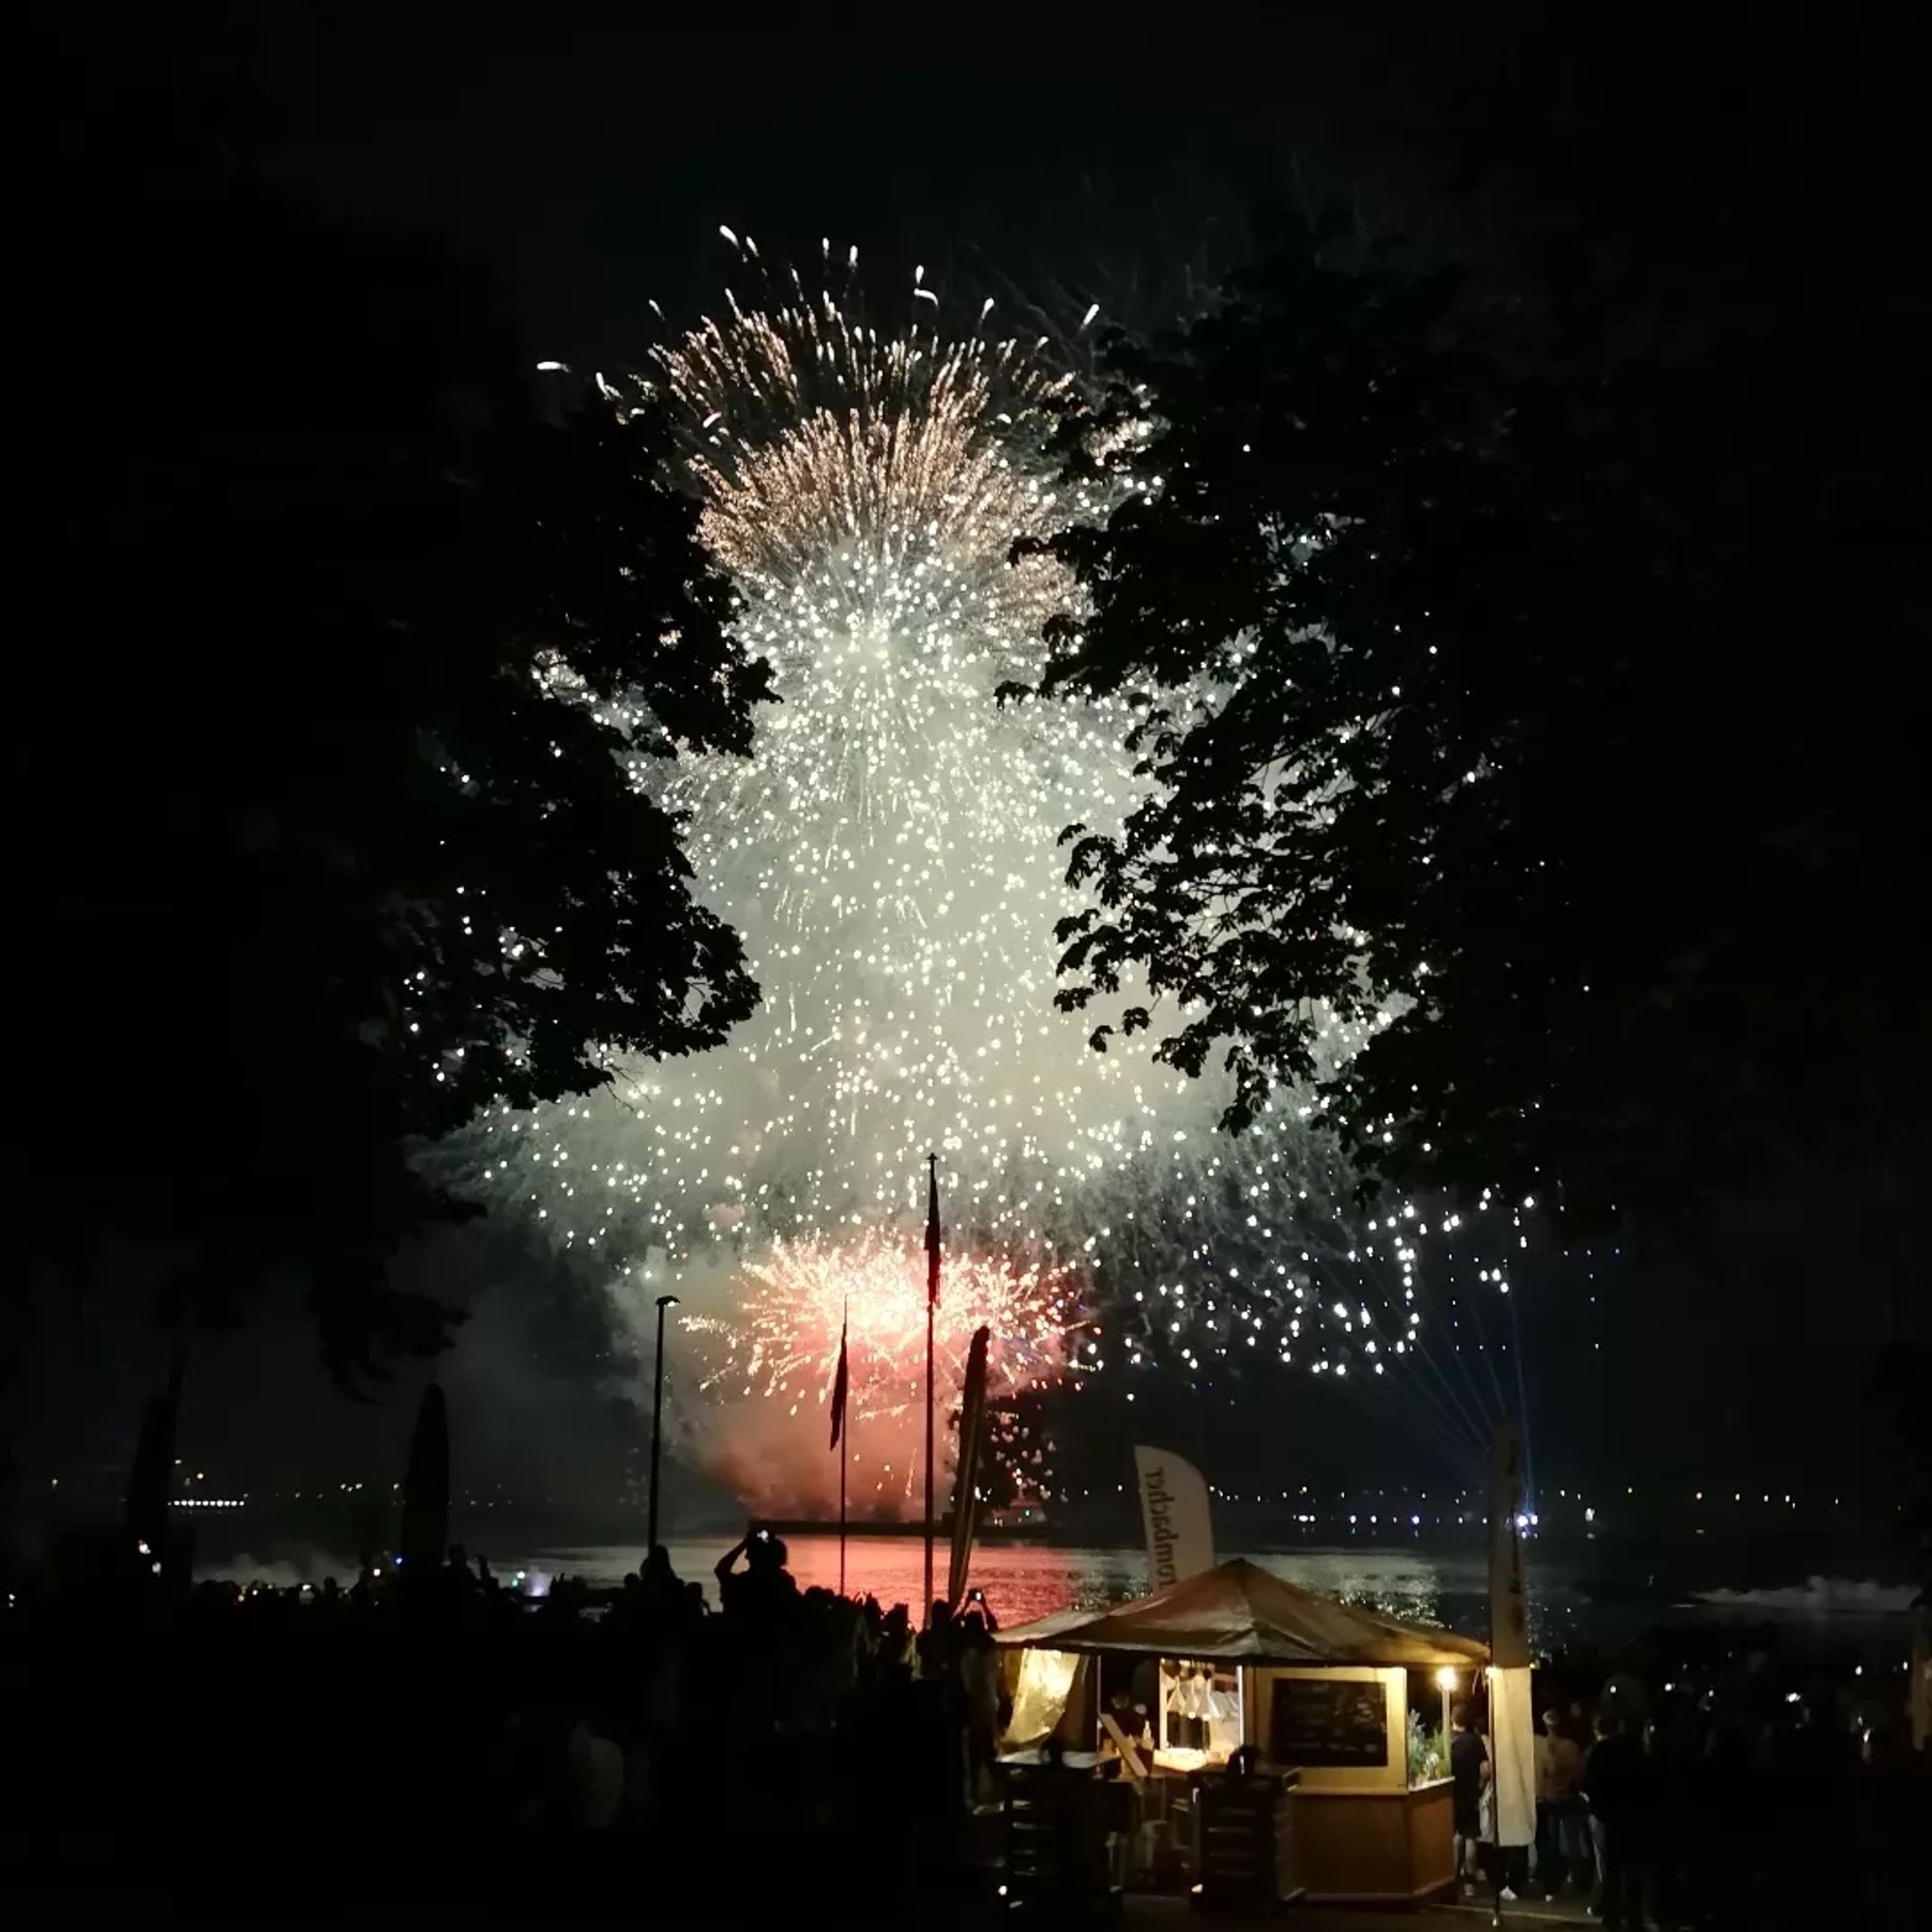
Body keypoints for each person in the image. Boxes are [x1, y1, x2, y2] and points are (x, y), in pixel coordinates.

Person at [1583, 1709, 1650, 1931]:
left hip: (1611, 1818)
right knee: (1633, 1873)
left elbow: (1589, 1782)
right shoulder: (1639, 1753)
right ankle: (1633, 1917)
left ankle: (1612, 1916)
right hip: (1634, 1819)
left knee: (1611, 1870)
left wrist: (1600, 1809)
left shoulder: (1603, 1750)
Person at [1450, 1701, 1489, 1890]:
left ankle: (1453, 1876)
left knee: (1455, 1834)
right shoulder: (1475, 1740)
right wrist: (1481, 1787)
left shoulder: (1448, 1740)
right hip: (1471, 1793)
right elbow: (1486, 1769)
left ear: (1452, 1718)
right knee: (1471, 1835)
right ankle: (1469, 1881)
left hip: (1451, 1793)